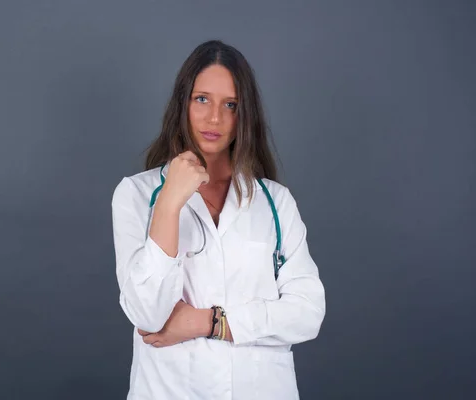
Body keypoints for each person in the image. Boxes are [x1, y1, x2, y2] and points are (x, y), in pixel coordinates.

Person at [111, 40, 326, 400]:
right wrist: (169, 203)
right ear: (183, 103)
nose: (215, 118)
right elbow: (147, 314)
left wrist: (209, 322)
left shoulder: (275, 202)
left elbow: (307, 313)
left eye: (231, 105)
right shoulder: (136, 195)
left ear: (246, 115)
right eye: (202, 100)